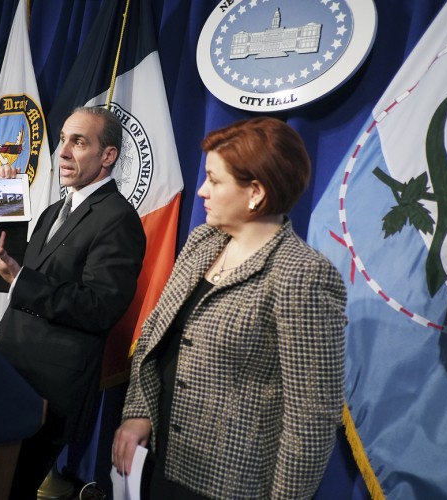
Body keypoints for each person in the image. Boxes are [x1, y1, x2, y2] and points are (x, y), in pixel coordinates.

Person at [112, 117, 347, 499]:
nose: (202, 190)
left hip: (230, 485)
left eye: (215, 180)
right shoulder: (203, 241)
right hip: (163, 459)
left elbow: (311, 418)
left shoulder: (303, 275)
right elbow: (156, 331)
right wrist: (138, 410)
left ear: (255, 192)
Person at [0, 106, 146, 498]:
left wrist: (19, 279)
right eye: (63, 139)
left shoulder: (118, 219)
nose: (63, 151)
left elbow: (100, 307)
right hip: (8, 374)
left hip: (48, 396)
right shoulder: (56, 209)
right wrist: (0, 197)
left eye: (79, 141)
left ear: (108, 156)